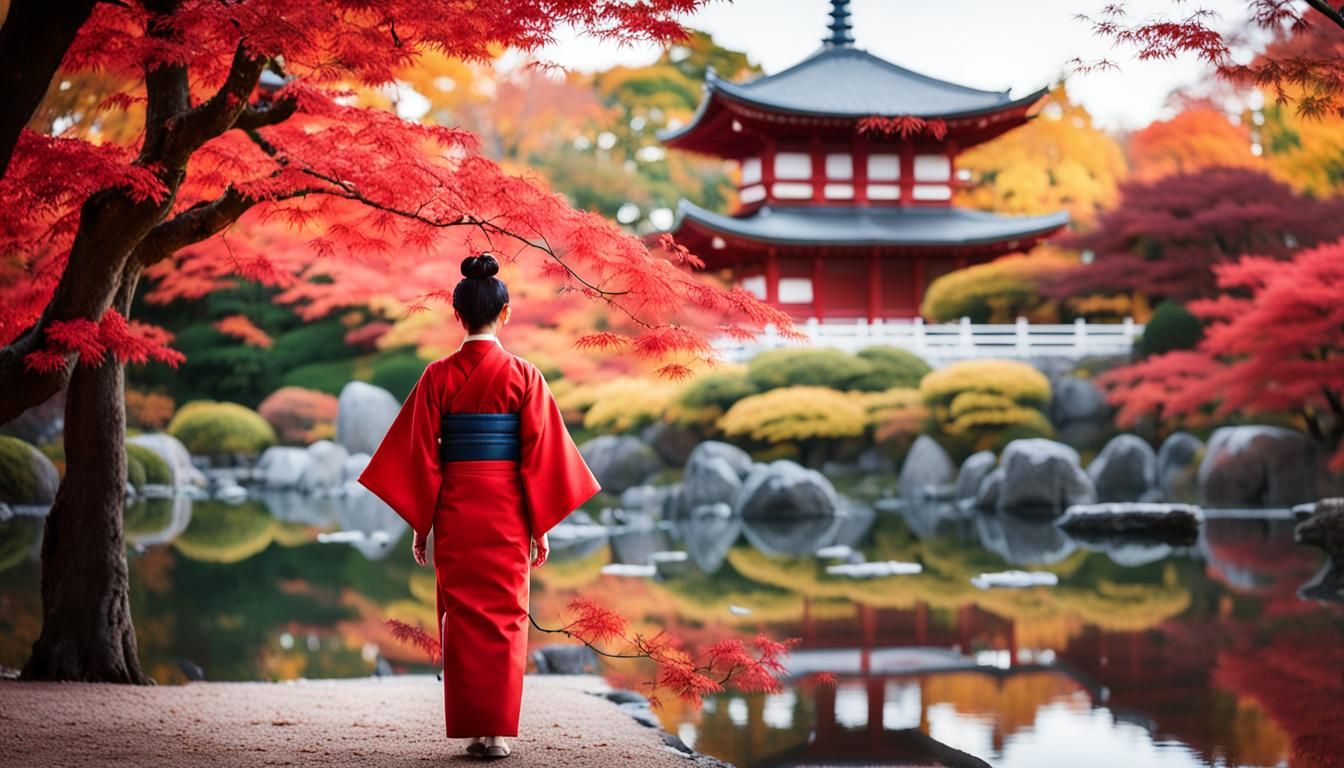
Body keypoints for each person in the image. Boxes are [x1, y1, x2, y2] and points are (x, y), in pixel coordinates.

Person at [358, 253, 601, 760]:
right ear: (505, 313)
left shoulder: (436, 376)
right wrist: (541, 525)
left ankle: (473, 731)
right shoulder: (525, 376)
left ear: (457, 315)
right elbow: (541, 453)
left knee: (462, 620)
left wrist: (421, 524)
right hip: (509, 509)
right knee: (507, 618)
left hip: (456, 510)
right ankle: (498, 735)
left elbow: (421, 455)